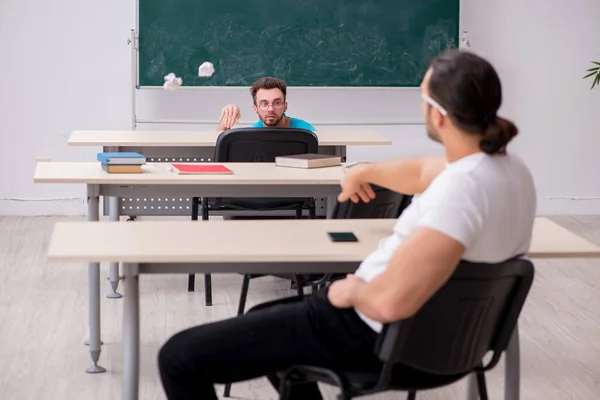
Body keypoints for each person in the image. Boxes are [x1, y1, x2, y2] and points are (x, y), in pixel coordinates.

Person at [158, 49, 537, 399]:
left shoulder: (461, 191)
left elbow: (391, 301)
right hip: (449, 341)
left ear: (437, 114)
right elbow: (424, 169)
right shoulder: (508, 169)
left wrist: (348, 291)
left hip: (374, 335)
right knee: (265, 320)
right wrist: (367, 171)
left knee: (178, 357)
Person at [217, 76, 316, 132]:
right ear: (255, 109)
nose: (270, 109)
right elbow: (216, 146)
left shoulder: (306, 130)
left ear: (285, 106)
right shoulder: (253, 133)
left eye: (277, 103)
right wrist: (225, 122)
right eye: (264, 104)